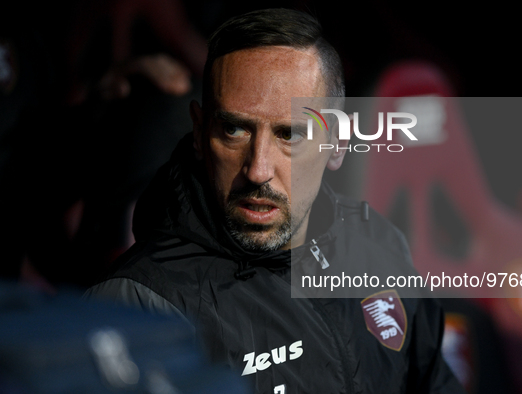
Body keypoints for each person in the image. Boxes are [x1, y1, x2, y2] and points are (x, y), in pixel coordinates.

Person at [85, 8, 465, 393]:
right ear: (199, 133)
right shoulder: (140, 304)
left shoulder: (377, 244)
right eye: (234, 129)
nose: (258, 169)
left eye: (291, 134)